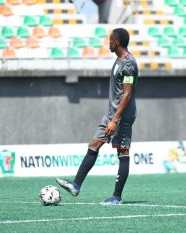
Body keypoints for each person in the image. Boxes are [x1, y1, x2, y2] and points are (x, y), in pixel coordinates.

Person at [56, 28, 138, 205]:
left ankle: (116, 197)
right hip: (111, 114)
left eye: (110, 40)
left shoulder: (129, 65)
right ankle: (76, 185)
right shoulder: (118, 61)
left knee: (122, 151)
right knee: (94, 144)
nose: (108, 43)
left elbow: (127, 94)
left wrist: (115, 119)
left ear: (115, 43)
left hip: (121, 116)